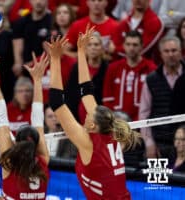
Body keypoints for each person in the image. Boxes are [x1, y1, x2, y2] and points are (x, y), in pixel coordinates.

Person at [47, 28, 140, 199]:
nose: (86, 115)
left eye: (88, 116)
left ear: (92, 125)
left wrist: (54, 59)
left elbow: (57, 102)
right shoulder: (110, 131)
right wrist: (81, 52)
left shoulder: (87, 142)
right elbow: (86, 91)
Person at [0, 45, 50, 199]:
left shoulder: (10, 164)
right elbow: (38, 122)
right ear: (37, 144)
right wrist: (38, 80)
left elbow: (1, 117)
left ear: (16, 143)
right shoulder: (43, 161)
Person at [139, 36, 185, 158]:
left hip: (184, 142)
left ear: (181, 52)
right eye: (167, 51)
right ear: (161, 54)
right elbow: (144, 115)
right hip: (159, 145)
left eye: (174, 50)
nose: (171, 54)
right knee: (156, 177)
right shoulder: (151, 80)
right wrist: (149, 143)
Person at [103, 31, 156, 121]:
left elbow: (154, 98)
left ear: (141, 46)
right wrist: (113, 120)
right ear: (123, 45)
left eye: (135, 45)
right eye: (128, 44)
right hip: (117, 122)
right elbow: (107, 97)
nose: (131, 48)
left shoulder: (151, 68)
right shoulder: (113, 68)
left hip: (142, 122)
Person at [12, 0, 52, 77]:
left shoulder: (52, 21)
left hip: (47, 68)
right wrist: (18, 63)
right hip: (26, 69)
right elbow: (17, 47)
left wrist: (33, 64)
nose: (38, 2)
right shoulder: (21, 22)